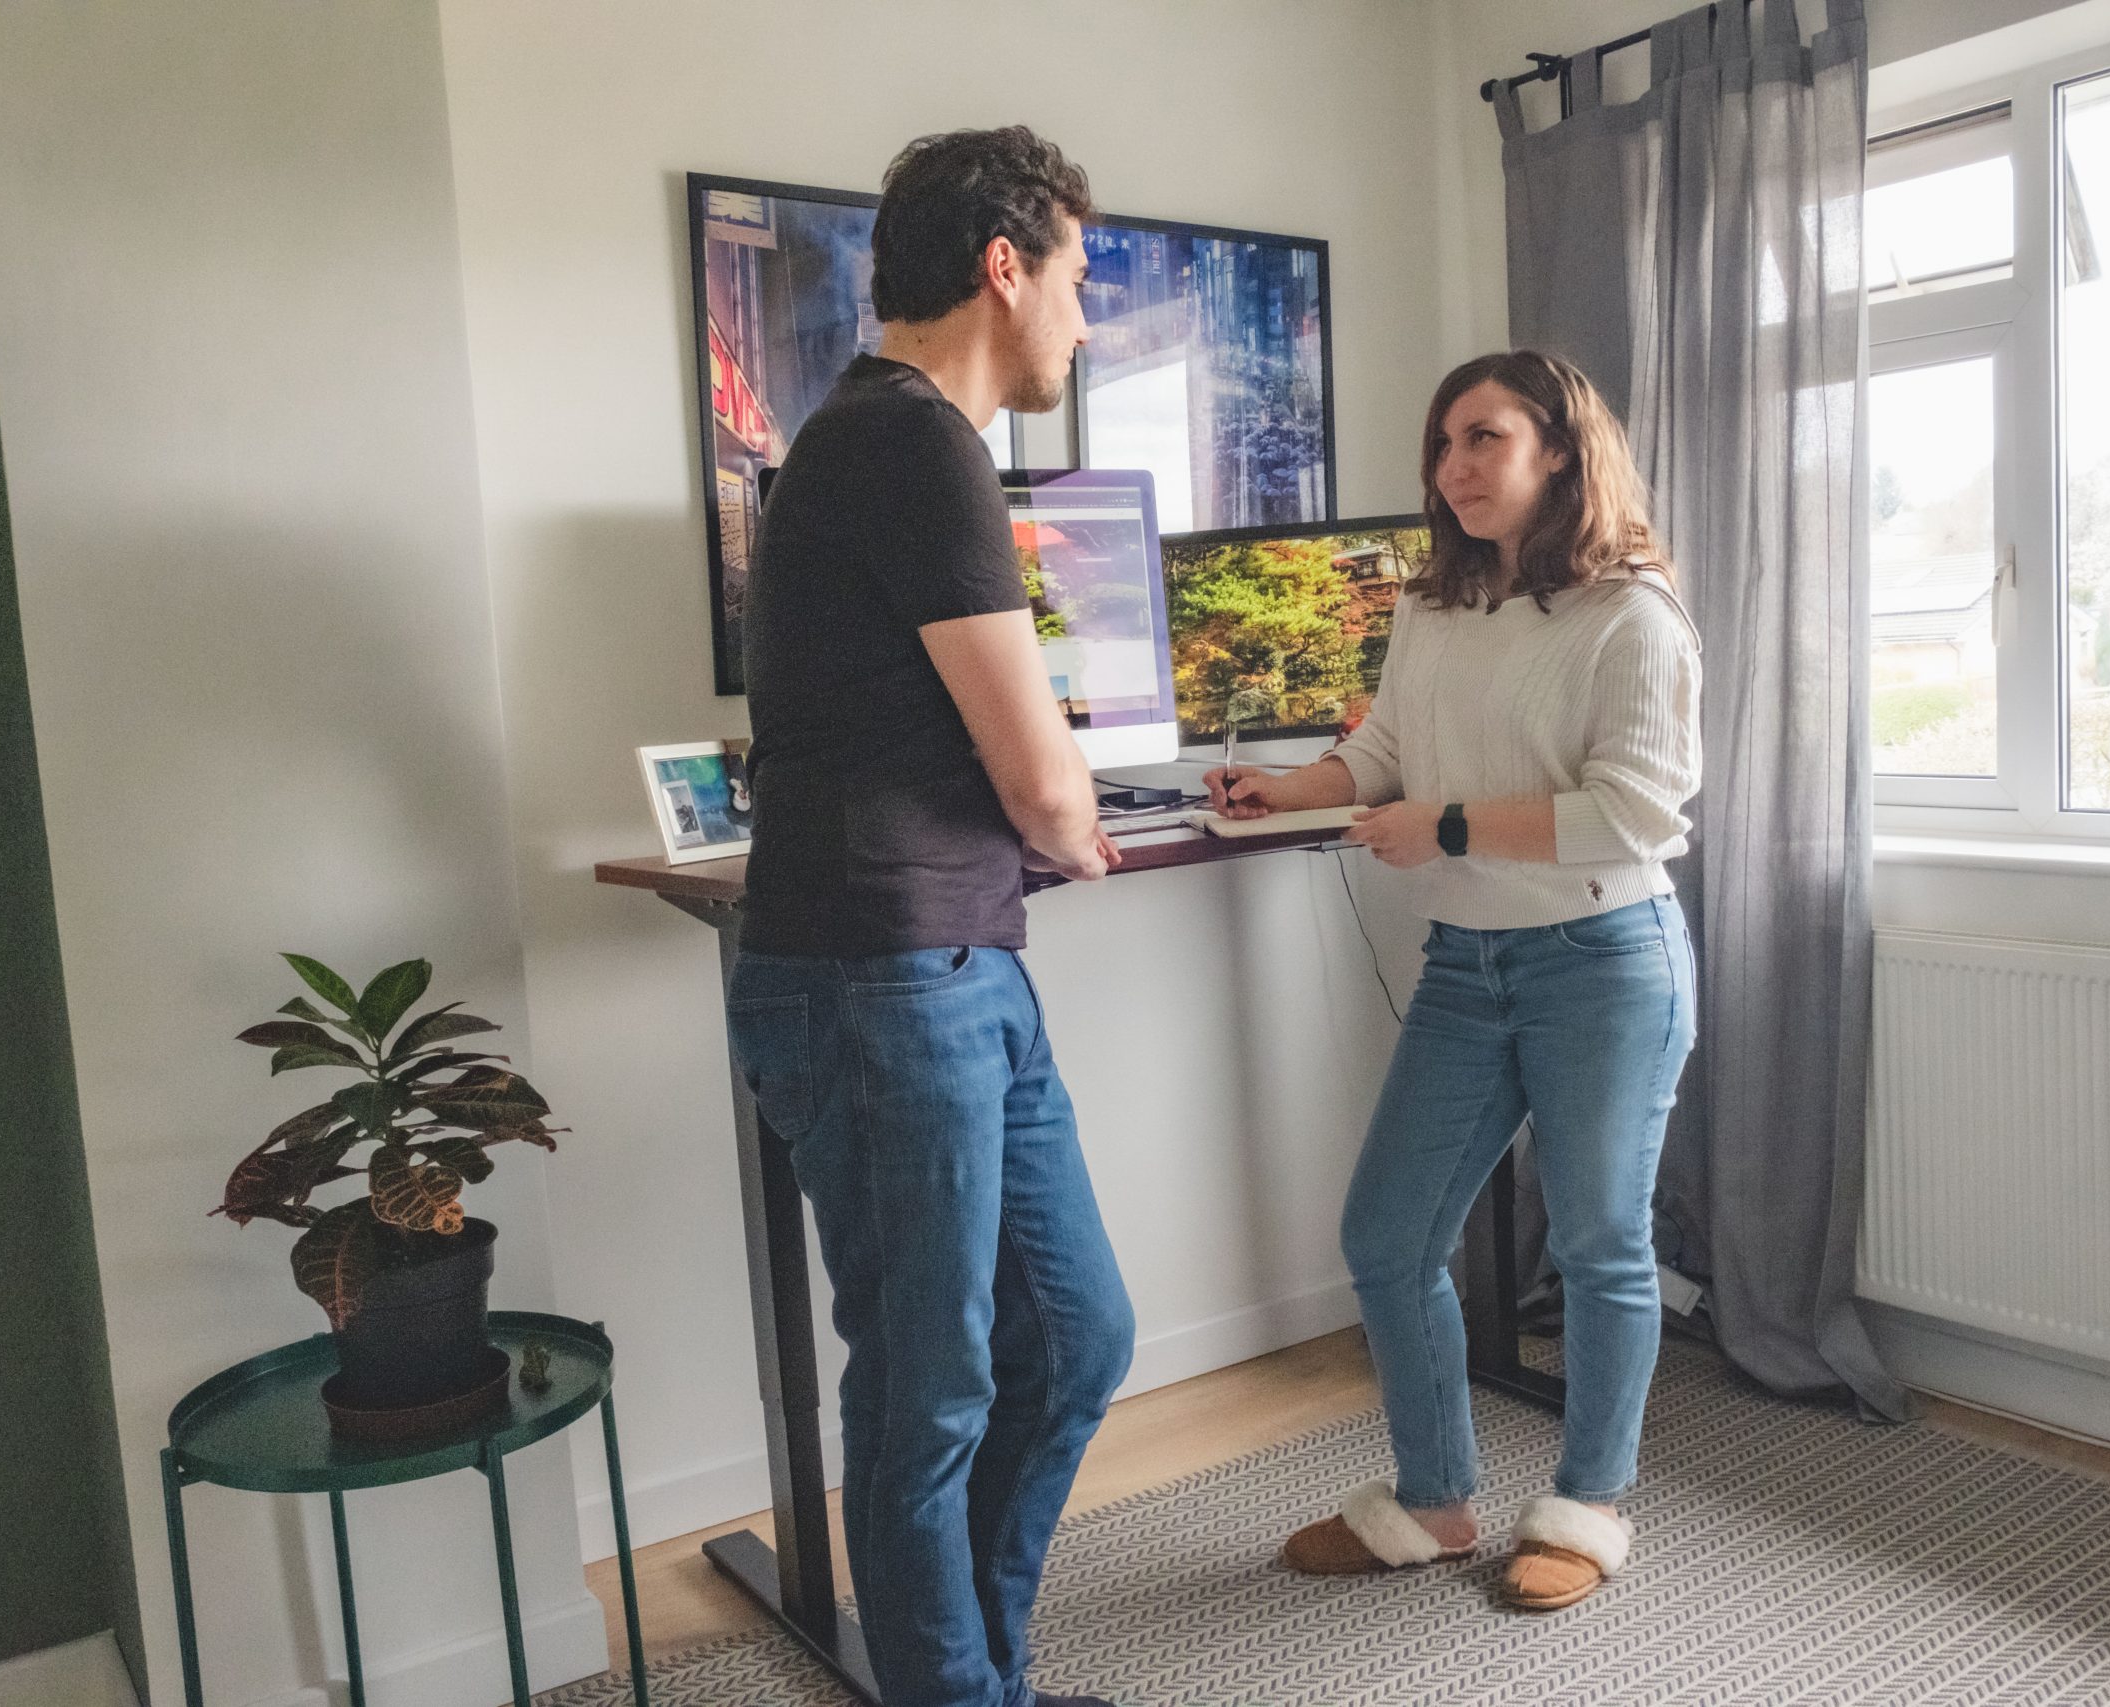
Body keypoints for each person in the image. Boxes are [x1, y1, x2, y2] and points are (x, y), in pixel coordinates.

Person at [726, 126, 1134, 1707]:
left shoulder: (899, 444)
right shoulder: (911, 443)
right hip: (880, 983)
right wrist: (1082, 823)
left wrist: (1064, 820)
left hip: (956, 965)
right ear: (1003, 264)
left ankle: (980, 1679)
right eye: (1081, 280)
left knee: (1073, 1335)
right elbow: (1040, 784)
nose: (1085, 323)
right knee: (927, 1392)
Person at [1209, 349, 1703, 1614]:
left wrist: (1448, 830)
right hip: (1466, 963)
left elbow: (1639, 811)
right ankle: (1432, 1502)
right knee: (1385, 1237)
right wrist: (1293, 787)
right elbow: (1381, 750)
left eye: (1482, 438)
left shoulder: (1631, 616)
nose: (1453, 468)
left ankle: (1587, 1507)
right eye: (1442, 444)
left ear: (1559, 450)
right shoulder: (1434, 605)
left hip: (1602, 960)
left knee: (1600, 1246)